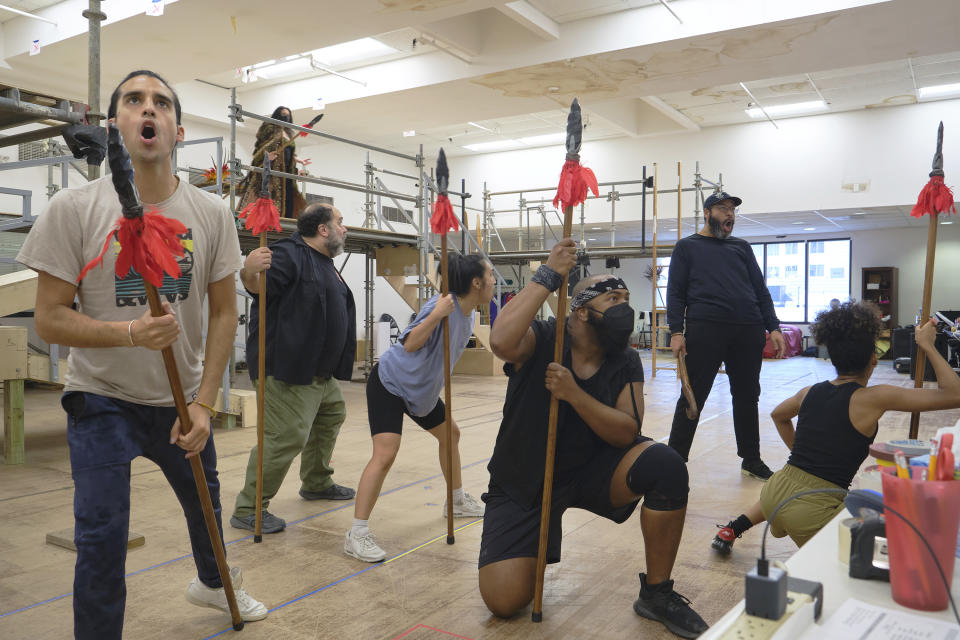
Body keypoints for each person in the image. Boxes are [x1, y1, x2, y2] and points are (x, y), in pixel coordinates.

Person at [16, 70, 267, 638]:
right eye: (133, 100)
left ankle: (212, 582)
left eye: (161, 102)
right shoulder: (73, 208)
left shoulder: (210, 214)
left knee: (207, 512)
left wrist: (205, 403)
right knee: (102, 536)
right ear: (116, 125)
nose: (147, 109)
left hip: (182, 400)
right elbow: (51, 319)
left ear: (177, 130)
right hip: (101, 397)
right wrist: (130, 333)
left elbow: (226, 311)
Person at [479, 239, 708, 640]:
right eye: (613, 297)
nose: (624, 306)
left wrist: (573, 394)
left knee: (666, 465)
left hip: (592, 471)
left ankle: (656, 594)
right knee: (503, 601)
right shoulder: (543, 337)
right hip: (525, 476)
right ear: (581, 311)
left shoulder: (625, 358)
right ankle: (536, 534)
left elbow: (626, 429)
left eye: (626, 297)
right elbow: (500, 342)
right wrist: (548, 275)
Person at [712, 306, 960, 552]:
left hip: (774, 491)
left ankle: (734, 527)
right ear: (874, 358)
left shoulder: (809, 391)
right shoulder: (876, 397)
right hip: (813, 509)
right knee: (879, 548)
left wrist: (802, 455)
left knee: (793, 484)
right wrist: (926, 345)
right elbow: (955, 394)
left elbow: (778, 416)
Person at [344, 253, 495, 562]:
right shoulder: (443, 304)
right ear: (476, 282)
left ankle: (455, 500)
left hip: (420, 393)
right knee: (385, 453)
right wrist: (436, 314)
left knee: (450, 435)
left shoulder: (468, 313)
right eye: (491, 275)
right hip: (391, 383)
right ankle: (356, 533)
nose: (496, 280)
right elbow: (410, 343)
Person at [231, 204, 357, 534]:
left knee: (331, 414)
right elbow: (259, 287)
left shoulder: (326, 263)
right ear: (323, 229)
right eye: (340, 223)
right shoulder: (289, 253)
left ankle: (316, 481)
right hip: (286, 368)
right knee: (286, 436)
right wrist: (248, 270)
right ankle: (249, 508)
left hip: (318, 371)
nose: (345, 229)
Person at [667, 191, 785, 480]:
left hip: (748, 330)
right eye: (722, 208)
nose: (729, 214)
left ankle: (751, 458)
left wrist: (774, 327)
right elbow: (676, 292)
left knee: (747, 396)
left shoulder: (741, 248)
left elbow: (760, 290)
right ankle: (672, 461)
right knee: (693, 395)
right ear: (707, 213)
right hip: (707, 329)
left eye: (732, 209)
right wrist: (676, 331)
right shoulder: (687, 247)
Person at [236, 105, 308, 218]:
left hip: (287, 173)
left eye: (288, 115)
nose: (286, 117)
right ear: (277, 115)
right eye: (284, 115)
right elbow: (262, 147)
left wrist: (298, 160)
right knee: (269, 195)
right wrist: (266, 156)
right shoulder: (270, 128)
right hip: (273, 170)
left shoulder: (288, 132)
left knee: (289, 198)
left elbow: (288, 151)